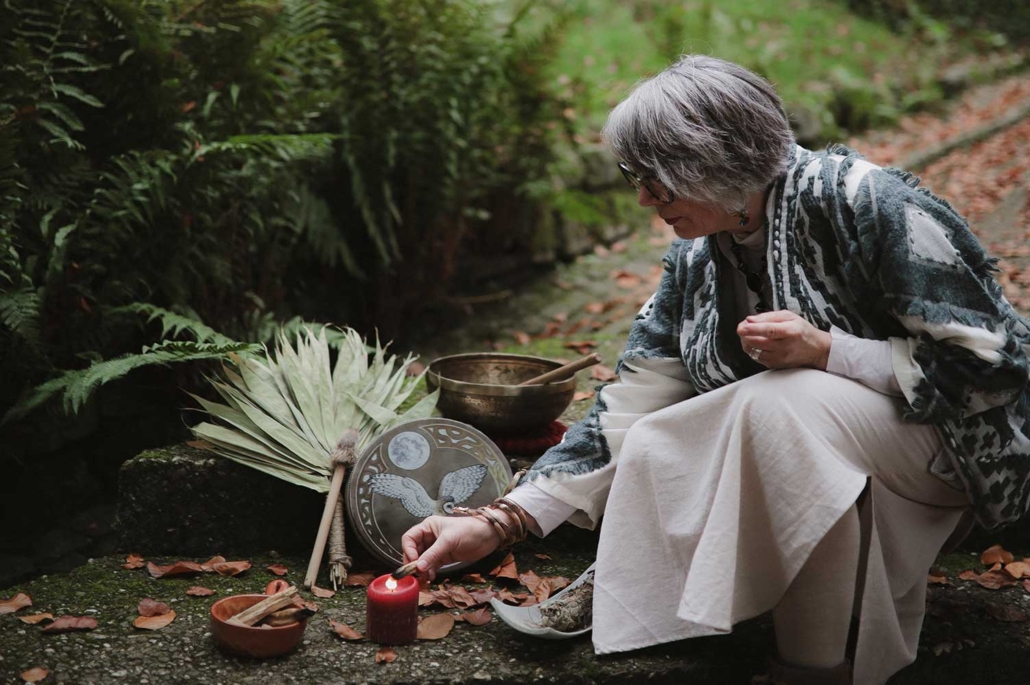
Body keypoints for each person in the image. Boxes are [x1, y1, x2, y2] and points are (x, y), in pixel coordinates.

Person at [401, 55, 1030, 685]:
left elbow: (997, 366)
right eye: (633, 177)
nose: (644, 198)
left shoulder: (869, 203)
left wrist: (829, 351)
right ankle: (814, 665)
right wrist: (498, 521)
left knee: (782, 403)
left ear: (717, 162)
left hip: (946, 455)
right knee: (703, 426)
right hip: (822, 457)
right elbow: (634, 402)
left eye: (657, 181)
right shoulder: (697, 257)